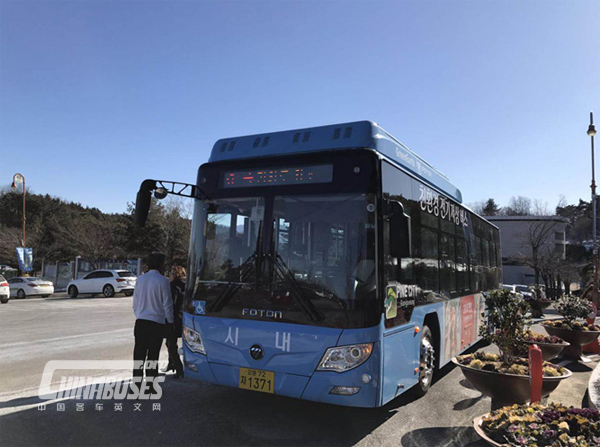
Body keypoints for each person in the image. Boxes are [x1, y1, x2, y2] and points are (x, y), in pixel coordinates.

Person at [132, 253, 174, 393]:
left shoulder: (140, 280)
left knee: (139, 355)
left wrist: (140, 315)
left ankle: (136, 386)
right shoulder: (163, 281)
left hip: (141, 322)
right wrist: (170, 322)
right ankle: (151, 386)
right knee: (152, 356)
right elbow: (167, 305)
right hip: (156, 323)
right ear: (160, 264)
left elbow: (135, 303)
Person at [162, 265, 185, 378]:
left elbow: (171, 303)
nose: (169, 275)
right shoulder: (185, 285)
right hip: (182, 317)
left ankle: (178, 368)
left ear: (177, 274)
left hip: (174, 317)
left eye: (171, 273)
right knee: (171, 342)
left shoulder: (173, 286)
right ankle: (171, 364)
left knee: (171, 343)